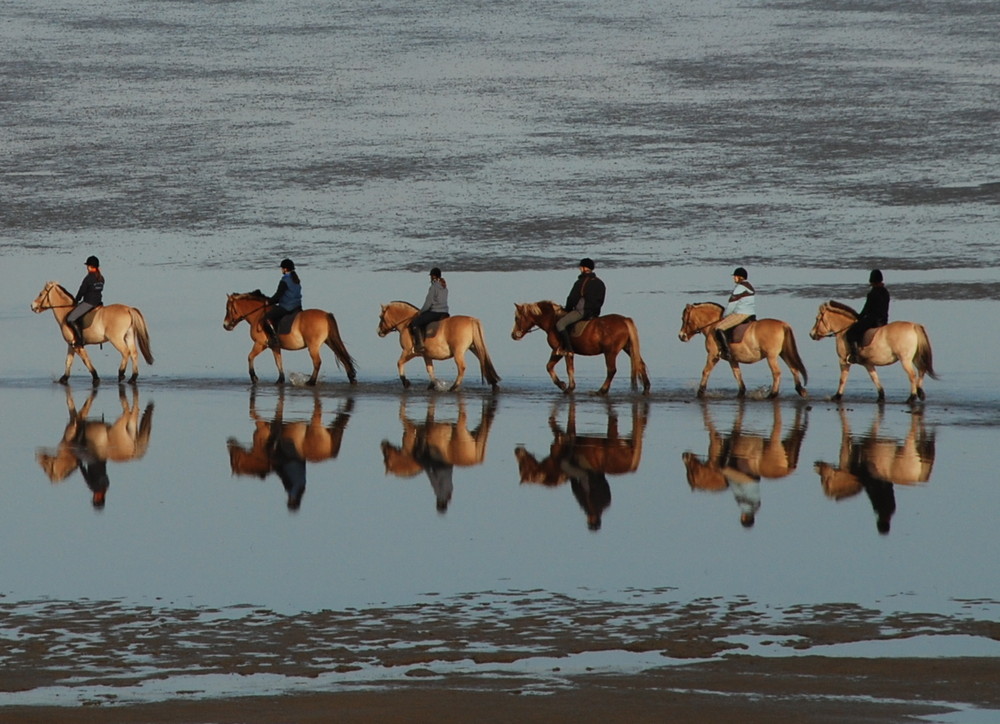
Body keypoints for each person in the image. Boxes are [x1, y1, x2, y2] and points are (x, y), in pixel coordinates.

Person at [555, 258, 606, 356]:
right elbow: (601, 299)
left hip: (581, 311)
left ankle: (568, 350)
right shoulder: (600, 283)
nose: (579, 269)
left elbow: (572, 299)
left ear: (583, 268)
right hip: (595, 312)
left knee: (560, 324)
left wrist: (567, 309)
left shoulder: (581, 282)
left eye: (580, 267)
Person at [846, 269, 890, 363]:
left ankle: (855, 355)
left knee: (851, 332)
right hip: (884, 320)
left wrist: (859, 317)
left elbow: (866, 309)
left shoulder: (872, 294)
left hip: (873, 321)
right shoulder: (886, 292)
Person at [713, 267, 756, 360]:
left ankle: (727, 352)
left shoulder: (739, 288)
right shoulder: (749, 286)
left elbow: (731, 305)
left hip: (741, 314)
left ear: (740, 277)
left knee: (719, 328)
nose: (734, 278)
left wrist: (724, 316)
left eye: (735, 276)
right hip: (751, 314)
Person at [261, 259, 302, 348]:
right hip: (297, 307)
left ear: (285, 269)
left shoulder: (284, 281)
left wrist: (269, 301)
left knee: (266, 318)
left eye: (282, 268)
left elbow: (278, 296)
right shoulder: (296, 280)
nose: (281, 270)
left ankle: (274, 340)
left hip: (287, 307)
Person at [66, 255, 105, 348]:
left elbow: (82, 291)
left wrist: (76, 300)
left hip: (89, 303)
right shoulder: (101, 278)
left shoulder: (88, 278)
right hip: (98, 303)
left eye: (87, 266)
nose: (87, 268)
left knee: (70, 318)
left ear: (90, 267)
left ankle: (80, 340)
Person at [409, 267, 449, 353]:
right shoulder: (444, 287)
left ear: (433, 276)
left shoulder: (434, 287)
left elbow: (428, 302)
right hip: (445, 312)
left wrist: (421, 311)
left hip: (435, 312)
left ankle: (420, 345)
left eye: (431, 276)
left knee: (415, 322)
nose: (430, 278)